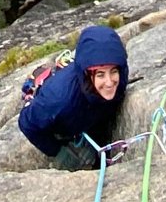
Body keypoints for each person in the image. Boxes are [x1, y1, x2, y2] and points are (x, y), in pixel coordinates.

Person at [17, 24, 130, 169]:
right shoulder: (59, 100)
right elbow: (27, 123)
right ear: (86, 74)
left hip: (89, 113)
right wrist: (58, 151)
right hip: (65, 115)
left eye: (113, 72)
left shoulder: (121, 74)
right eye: (101, 74)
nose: (109, 82)